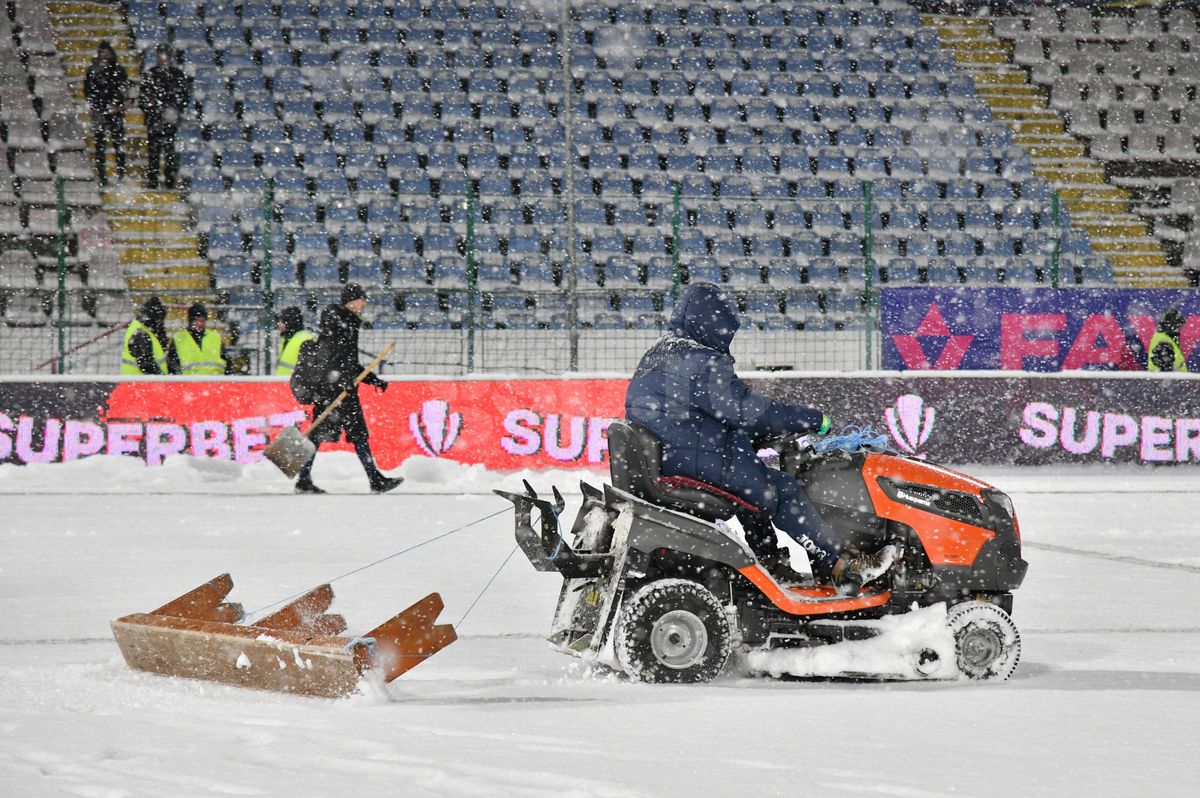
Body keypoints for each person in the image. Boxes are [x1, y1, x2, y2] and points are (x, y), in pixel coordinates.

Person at [625, 282, 898, 595]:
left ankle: (768, 560)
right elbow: (745, 410)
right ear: (710, 323)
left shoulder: (662, 353)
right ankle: (839, 562)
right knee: (782, 490)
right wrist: (808, 419)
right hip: (691, 459)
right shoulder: (701, 361)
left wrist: (757, 432)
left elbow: (707, 413)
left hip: (674, 454)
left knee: (752, 487)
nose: (726, 339)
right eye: (724, 331)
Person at [295, 284, 402, 495]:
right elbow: (331, 358)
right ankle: (373, 479)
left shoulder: (347, 323)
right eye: (361, 299)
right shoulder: (338, 323)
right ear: (351, 300)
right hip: (334, 391)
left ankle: (305, 479)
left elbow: (349, 362)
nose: (364, 303)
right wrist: (339, 380)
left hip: (340, 389)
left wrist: (373, 380)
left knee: (348, 433)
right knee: (339, 434)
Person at [139, 44, 190, 189]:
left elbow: (183, 96)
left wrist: (172, 110)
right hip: (155, 120)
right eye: (161, 55)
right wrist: (156, 109)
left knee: (169, 153)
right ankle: (153, 181)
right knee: (154, 153)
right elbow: (144, 98)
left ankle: (169, 181)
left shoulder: (177, 74)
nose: (163, 58)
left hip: (169, 121)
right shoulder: (151, 74)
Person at [83, 41, 129, 187]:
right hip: (100, 113)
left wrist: (120, 106)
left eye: (107, 52)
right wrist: (103, 107)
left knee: (118, 145)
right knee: (101, 146)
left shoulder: (118, 70)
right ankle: (103, 176)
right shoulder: (93, 71)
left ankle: (120, 174)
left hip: (114, 112)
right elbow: (89, 93)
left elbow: (126, 88)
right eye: (103, 52)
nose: (106, 55)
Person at [168, 303, 228, 375]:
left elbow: (227, 362)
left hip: (213, 383)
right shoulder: (178, 339)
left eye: (202, 320)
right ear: (190, 321)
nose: (200, 324)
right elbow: (172, 364)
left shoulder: (215, 338)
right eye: (196, 320)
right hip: (188, 383)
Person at [121, 296, 168, 375]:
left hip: (135, 382)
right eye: (161, 319)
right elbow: (146, 364)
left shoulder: (139, 327)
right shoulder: (141, 333)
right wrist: (162, 379)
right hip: (141, 384)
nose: (162, 323)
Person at [274, 306, 316, 376]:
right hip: (284, 382)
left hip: (294, 383)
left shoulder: (304, 338)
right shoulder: (287, 339)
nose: (279, 324)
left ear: (289, 322)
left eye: (281, 321)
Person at [1148, 308, 1189, 372]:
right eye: (1178, 327)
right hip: (1171, 381)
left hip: (1168, 380)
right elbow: (1165, 369)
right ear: (1172, 326)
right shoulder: (1164, 341)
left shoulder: (1163, 338)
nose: (1179, 330)